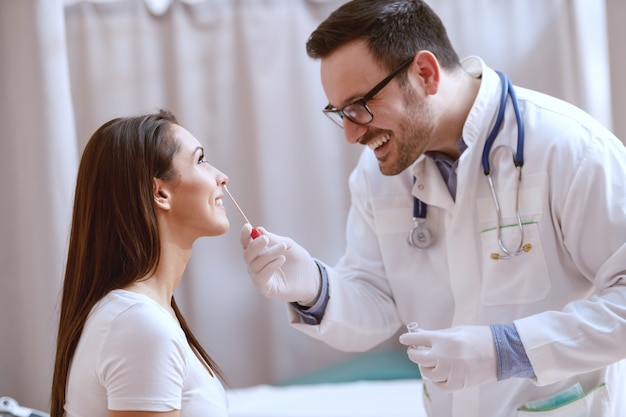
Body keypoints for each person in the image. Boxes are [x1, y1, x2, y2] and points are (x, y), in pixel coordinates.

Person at [239, 1, 626, 416]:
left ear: (425, 73)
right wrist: (315, 288)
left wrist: (507, 349)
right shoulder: (376, 174)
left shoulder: (570, 147)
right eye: (341, 113)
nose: (351, 134)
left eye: (360, 106)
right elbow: (379, 301)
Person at [51, 110, 231, 417]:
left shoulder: (143, 316)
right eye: (200, 160)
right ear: (160, 192)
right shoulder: (141, 326)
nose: (221, 177)